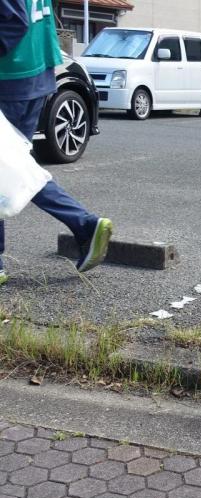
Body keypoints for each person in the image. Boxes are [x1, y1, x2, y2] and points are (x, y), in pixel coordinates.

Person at [0, 0, 112, 287]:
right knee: (11, 168)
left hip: (11, 79)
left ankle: (84, 223)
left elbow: (14, 21)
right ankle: (83, 224)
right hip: (36, 75)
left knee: (11, 169)